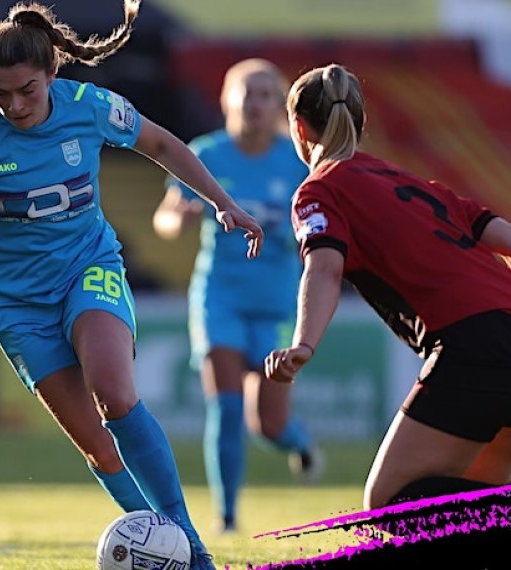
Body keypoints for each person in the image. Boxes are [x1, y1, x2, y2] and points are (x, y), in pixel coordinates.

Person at [0, 2, 263, 568]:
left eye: (27, 91)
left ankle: (190, 548)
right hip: (17, 304)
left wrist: (221, 202)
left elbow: (161, 144)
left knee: (114, 393)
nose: (14, 105)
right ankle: (167, 550)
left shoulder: (90, 107)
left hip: (89, 268)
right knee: (97, 445)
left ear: (52, 73)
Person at [264, 63, 511, 511]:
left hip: (477, 343)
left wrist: (304, 344)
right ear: (361, 120)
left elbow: (324, 269)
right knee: (485, 498)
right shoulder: (411, 182)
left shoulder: (319, 191)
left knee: (390, 500)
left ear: (298, 128)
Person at [152, 58, 322, 534]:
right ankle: (226, 518)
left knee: (268, 426)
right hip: (219, 297)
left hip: (277, 303)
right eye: (246, 92)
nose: (255, 102)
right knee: (225, 406)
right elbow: (165, 217)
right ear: (227, 99)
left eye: (266, 94)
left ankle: (299, 442)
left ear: (280, 105)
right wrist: (177, 218)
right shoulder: (206, 153)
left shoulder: (298, 163)